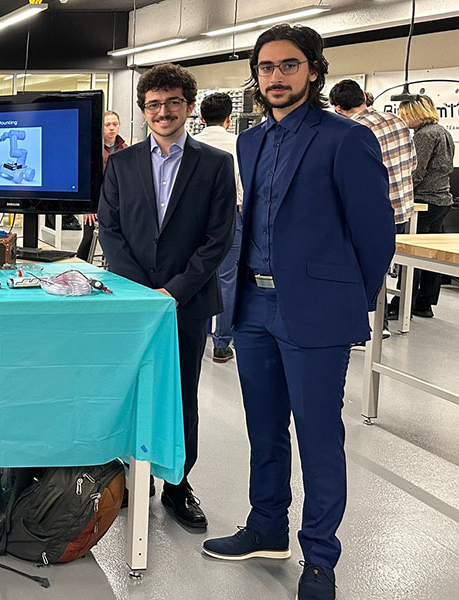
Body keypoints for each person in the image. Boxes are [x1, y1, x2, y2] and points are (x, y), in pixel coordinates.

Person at [201, 25, 394, 600]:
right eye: (266, 67)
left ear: (314, 70)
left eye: (288, 66)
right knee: (263, 427)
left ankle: (320, 559)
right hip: (254, 305)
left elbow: (375, 233)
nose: (276, 77)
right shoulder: (251, 140)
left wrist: (347, 301)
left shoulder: (345, 139)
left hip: (313, 312)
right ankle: (266, 527)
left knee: (317, 434)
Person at [97, 63, 236, 532]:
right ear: (143, 110)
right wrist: (141, 290)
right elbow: (111, 232)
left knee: (180, 395)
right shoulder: (121, 164)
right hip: (133, 302)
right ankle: (137, 479)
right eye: (154, 104)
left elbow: (218, 238)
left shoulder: (215, 164)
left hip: (187, 302)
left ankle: (178, 484)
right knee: (133, 391)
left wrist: (172, 292)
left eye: (173, 102)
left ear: (189, 107)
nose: (163, 111)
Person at [329, 78, 415, 338]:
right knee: (381, 261)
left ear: (337, 108)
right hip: (400, 207)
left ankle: (361, 325)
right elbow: (412, 162)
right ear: (364, 99)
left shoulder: (349, 130)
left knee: (356, 265)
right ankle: (382, 322)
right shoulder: (397, 121)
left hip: (368, 209)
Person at [193, 92, 244, 363]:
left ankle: (197, 336)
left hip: (193, 220)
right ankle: (222, 343)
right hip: (230, 217)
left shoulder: (189, 143)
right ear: (229, 118)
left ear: (200, 118)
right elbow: (243, 188)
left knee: (196, 274)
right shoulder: (240, 144)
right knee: (227, 278)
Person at [398, 94, 455, 318]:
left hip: (424, 200)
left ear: (415, 112)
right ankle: (424, 303)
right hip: (442, 200)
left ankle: (403, 304)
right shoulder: (443, 132)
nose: (402, 119)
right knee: (431, 259)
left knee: (412, 257)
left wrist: (400, 192)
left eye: (404, 114)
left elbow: (416, 172)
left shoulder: (423, 136)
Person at [79, 110, 129, 262]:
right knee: (89, 238)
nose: (112, 128)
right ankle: (78, 267)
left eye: (115, 124)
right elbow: (86, 178)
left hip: (119, 202)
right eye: (107, 125)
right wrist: (88, 207)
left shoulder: (126, 149)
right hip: (97, 201)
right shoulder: (92, 149)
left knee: (118, 241)